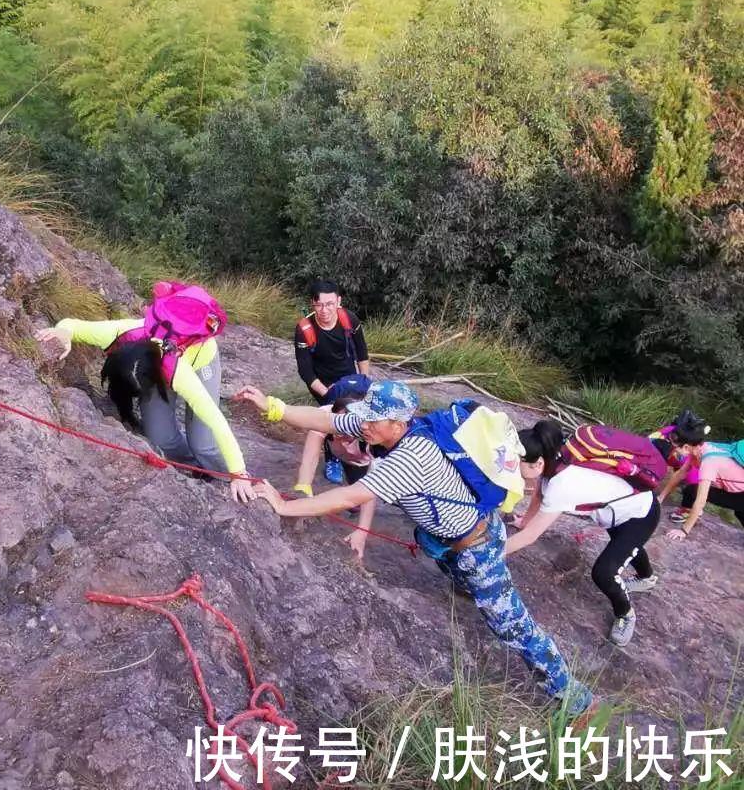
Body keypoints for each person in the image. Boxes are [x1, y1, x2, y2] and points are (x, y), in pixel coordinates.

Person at [234, 380, 595, 720]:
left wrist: (283, 507)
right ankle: (464, 586)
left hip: (478, 548)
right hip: (460, 539)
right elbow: (327, 419)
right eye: (367, 417)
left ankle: (575, 697)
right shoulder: (387, 424)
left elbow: (350, 495)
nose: (365, 425)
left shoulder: (409, 460)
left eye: (373, 421)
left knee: (513, 626)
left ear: (396, 423)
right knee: (450, 561)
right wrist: (272, 406)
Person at [37, 315, 253, 503]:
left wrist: (238, 472)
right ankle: (197, 467)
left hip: (200, 361)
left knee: (203, 442)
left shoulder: (179, 372)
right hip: (156, 372)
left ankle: (224, 475)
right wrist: (63, 333)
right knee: (160, 437)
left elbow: (215, 419)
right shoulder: (118, 333)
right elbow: (72, 325)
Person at [506, 422, 660, 649]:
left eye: (517, 464)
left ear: (538, 463)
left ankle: (626, 613)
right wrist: (525, 520)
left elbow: (531, 537)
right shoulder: (556, 459)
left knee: (604, 572)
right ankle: (646, 579)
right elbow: (540, 491)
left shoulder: (562, 484)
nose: (513, 468)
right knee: (626, 545)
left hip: (639, 514)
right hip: (617, 511)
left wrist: (489, 553)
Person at [291, 376, 378, 559]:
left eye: (348, 431)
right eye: (337, 427)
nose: (342, 434)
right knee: (334, 449)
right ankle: (334, 460)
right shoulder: (324, 417)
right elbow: (310, 457)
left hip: (359, 459)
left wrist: (362, 531)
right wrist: (303, 489)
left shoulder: (374, 437)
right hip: (338, 451)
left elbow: (371, 490)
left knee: (357, 499)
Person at [295, 281, 371, 483]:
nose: (324, 310)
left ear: (338, 301)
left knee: (357, 416)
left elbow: (362, 354)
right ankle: (332, 459)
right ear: (313, 303)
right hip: (321, 383)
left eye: (330, 304)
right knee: (330, 420)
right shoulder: (305, 329)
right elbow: (305, 371)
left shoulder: (349, 320)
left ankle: (360, 456)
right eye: (319, 304)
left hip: (349, 378)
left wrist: (366, 382)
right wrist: (326, 393)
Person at [660, 437, 744, 539]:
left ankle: (692, 517)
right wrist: (660, 498)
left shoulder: (709, 461)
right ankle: (688, 512)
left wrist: (683, 531)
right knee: (690, 490)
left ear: (686, 447)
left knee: (739, 510)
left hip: (741, 493)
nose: (674, 451)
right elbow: (680, 474)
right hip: (736, 488)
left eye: (676, 448)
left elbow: (701, 500)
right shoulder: (700, 448)